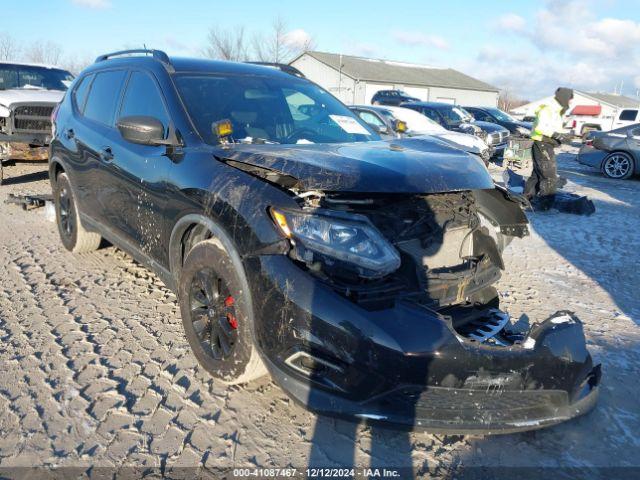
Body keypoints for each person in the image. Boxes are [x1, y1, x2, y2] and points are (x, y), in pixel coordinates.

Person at [524, 87, 574, 210]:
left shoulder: (557, 110)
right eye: (570, 99)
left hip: (545, 144)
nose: (571, 102)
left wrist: (565, 135)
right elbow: (540, 127)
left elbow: (553, 127)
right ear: (564, 97)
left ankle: (526, 200)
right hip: (542, 143)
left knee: (537, 174)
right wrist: (557, 135)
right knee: (549, 176)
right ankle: (544, 205)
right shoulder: (548, 109)